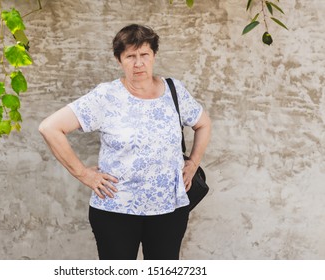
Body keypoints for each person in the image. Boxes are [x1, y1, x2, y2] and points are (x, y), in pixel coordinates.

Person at [39, 24, 211, 260]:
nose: (138, 63)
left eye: (144, 55)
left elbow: (203, 124)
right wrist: (83, 174)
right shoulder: (105, 96)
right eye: (130, 56)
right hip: (116, 210)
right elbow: (50, 127)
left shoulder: (174, 90)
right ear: (119, 60)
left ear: (154, 56)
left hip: (169, 209)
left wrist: (193, 163)